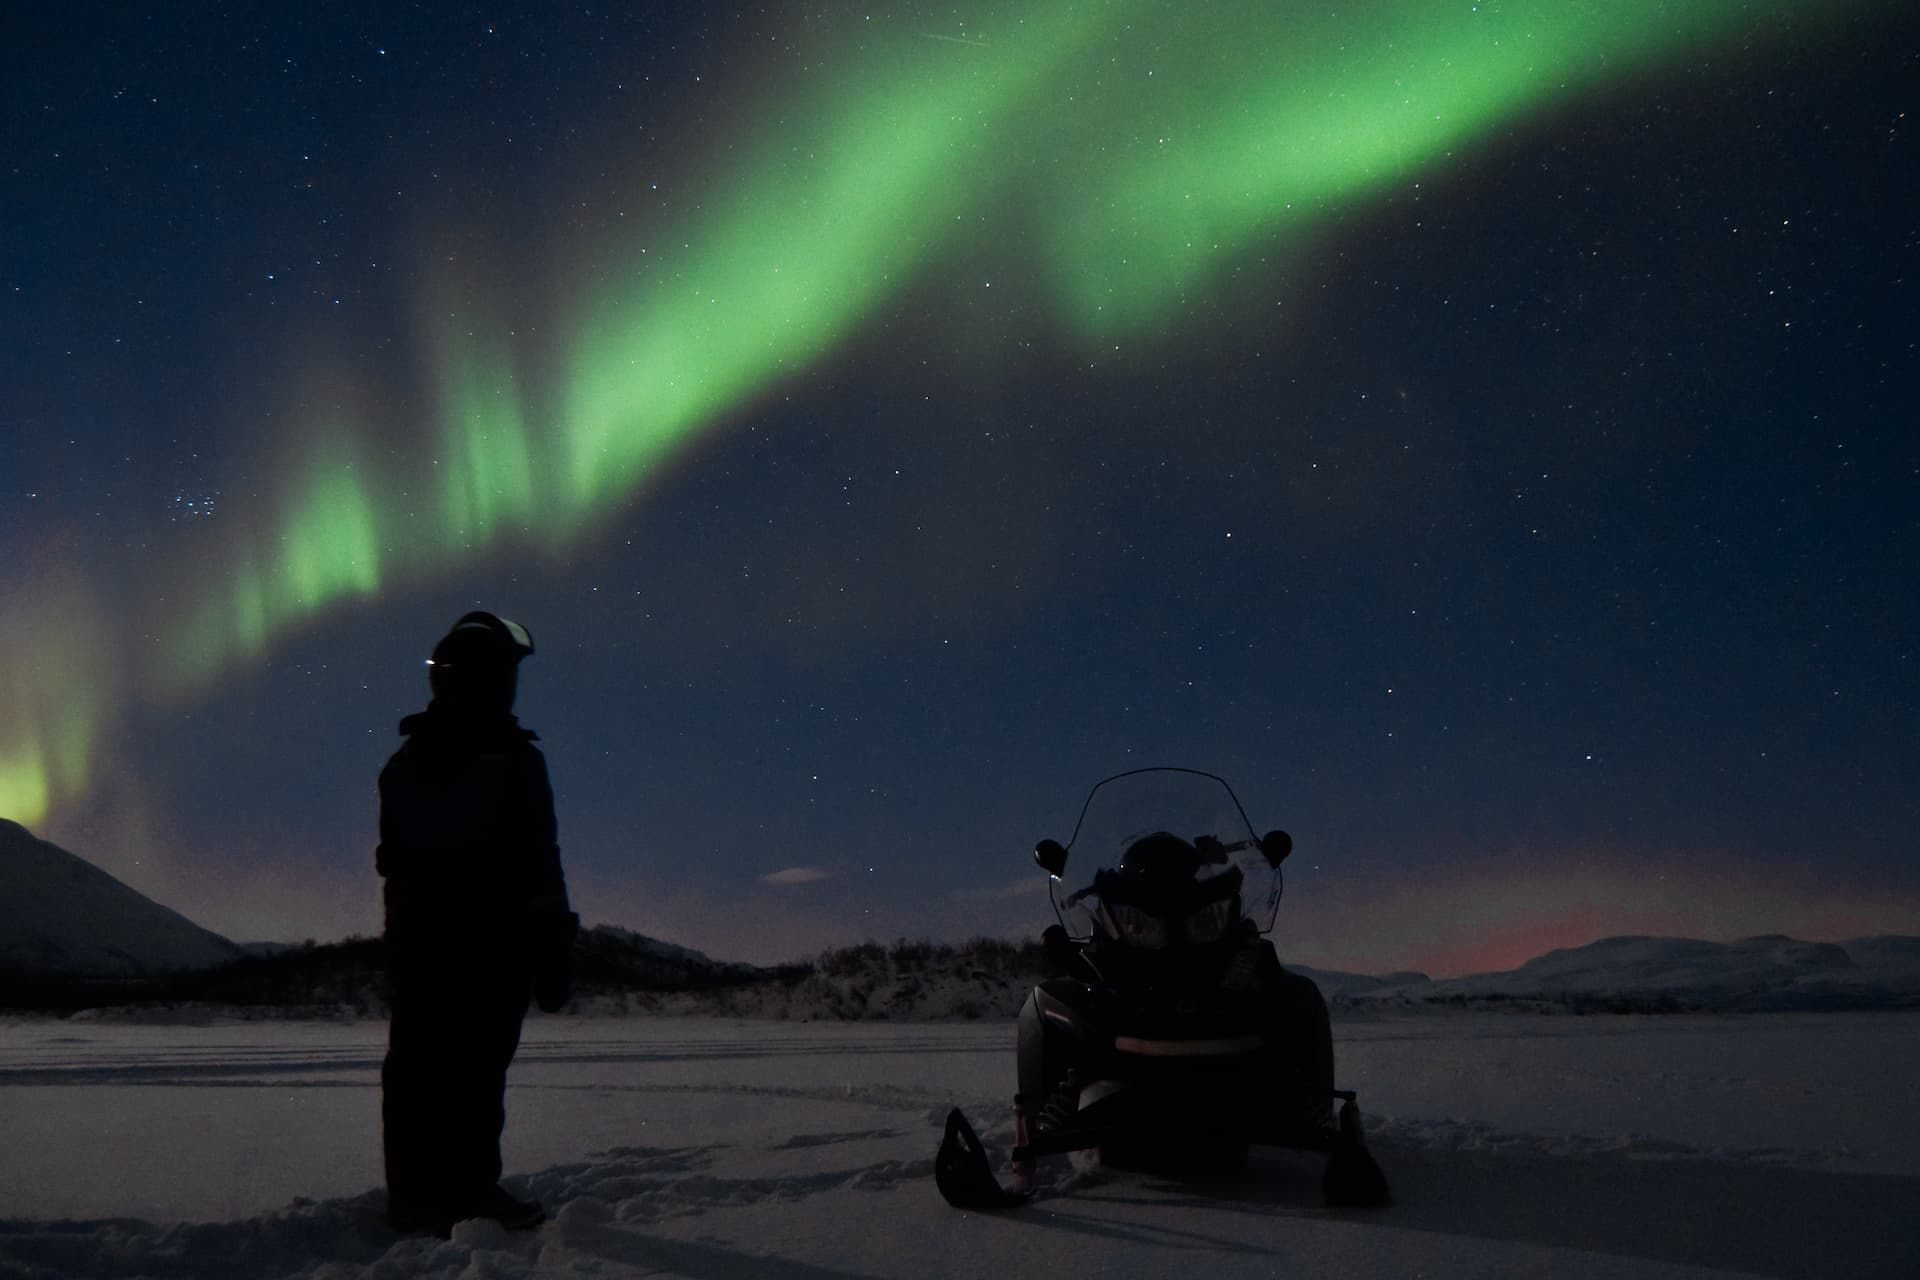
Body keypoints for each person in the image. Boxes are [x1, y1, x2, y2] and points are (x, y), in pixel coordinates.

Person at [376, 610, 579, 1236]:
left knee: (418, 1073)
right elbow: (539, 858)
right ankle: (469, 1193)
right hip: (491, 947)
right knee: (472, 1074)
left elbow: (395, 867)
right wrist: (551, 946)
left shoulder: (404, 763)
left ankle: (416, 1198)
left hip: (424, 948)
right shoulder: (512, 760)